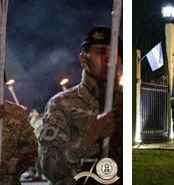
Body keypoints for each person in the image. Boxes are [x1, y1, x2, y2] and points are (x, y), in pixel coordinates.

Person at [40, 26, 123, 184]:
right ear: (83, 59)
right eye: (100, 52)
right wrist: (91, 135)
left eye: (114, 53)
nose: (109, 60)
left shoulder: (125, 103)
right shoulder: (61, 104)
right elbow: (49, 168)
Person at [25, 108, 43, 181]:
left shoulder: (41, 121)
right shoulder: (33, 120)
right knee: (30, 158)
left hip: (38, 143)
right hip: (31, 142)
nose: (31, 113)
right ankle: (31, 173)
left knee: (38, 160)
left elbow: (41, 132)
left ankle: (39, 174)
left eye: (33, 112)